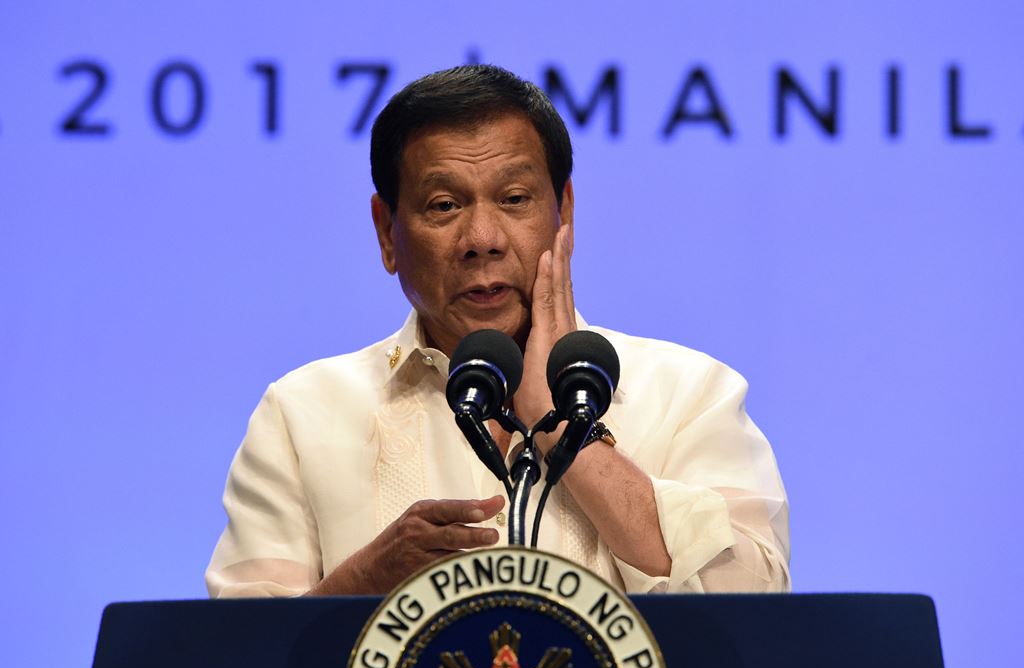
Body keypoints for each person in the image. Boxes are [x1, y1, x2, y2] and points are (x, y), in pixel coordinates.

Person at [206, 65, 790, 597]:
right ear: (387, 232)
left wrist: (564, 431)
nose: (482, 237)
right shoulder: (301, 414)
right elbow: (240, 657)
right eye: (443, 206)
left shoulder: (689, 393)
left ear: (564, 211)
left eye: (514, 198)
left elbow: (755, 608)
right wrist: (365, 581)